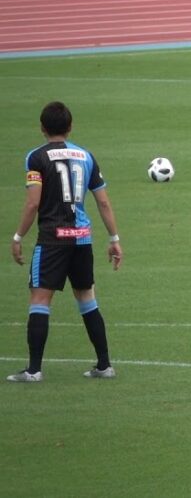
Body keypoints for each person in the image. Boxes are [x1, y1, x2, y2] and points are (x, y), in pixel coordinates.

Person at [8, 102, 123, 383]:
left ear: (42, 128)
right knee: (87, 298)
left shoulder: (36, 158)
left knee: (39, 299)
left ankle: (34, 370)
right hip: (82, 239)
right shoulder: (85, 155)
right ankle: (104, 365)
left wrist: (18, 236)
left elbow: (33, 202)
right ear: (70, 127)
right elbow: (104, 202)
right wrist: (114, 238)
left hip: (52, 240)